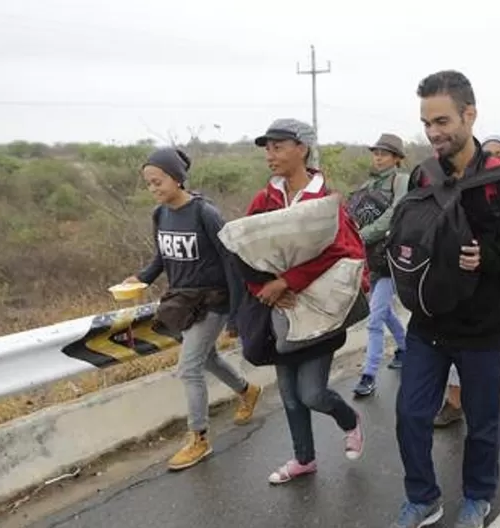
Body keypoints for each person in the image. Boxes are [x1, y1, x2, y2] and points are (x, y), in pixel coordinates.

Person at [391, 70, 500, 528]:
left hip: (483, 328)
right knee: (409, 416)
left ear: (469, 114)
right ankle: (423, 498)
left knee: (482, 423)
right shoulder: (422, 175)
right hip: (427, 324)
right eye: (426, 123)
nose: (433, 132)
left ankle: (477, 497)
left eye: (442, 121)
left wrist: (489, 257)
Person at [239, 119, 368, 484]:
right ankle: (304, 459)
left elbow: (342, 251)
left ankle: (350, 420)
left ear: (302, 149)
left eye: (278, 146)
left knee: (311, 393)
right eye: (267, 148)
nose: (270, 154)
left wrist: (287, 280)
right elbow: (244, 251)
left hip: (319, 312)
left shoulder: (324, 200)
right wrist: (262, 290)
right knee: (290, 397)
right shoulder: (264, 199)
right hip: (281, 311)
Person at [125, 147, 262, 471]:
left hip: (213, 301)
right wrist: (142, 278)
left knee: (188, 367)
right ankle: (247, 390)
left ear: (177, 178)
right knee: (207, 358)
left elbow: (231, 263)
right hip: (183, 302)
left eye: (158, 181)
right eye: (149, 184)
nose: (154, 189)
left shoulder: (205, 213)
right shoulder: (161, 215)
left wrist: (236, 313)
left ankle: (198, 437)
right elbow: (162, 257)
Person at [433, 136, 500, 427]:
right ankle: (455, 401)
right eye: (487, 153)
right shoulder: (462, 188)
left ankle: (498, 390)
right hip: (460, 289)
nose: (491, 159)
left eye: (499, 154)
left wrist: (490, 257)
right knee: (456, 345)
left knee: (499, 348)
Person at [350, 133, 410, 397]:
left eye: (384, 153)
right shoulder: (367, 185)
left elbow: (394, 215)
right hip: (373, 259)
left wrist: (360, 237)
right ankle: (405, 347)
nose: (378, 157)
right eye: (376, 152)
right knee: (382, 311)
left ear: (397, 158)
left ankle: (369, 373)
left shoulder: (402, 181)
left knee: (374, 319)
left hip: (393, 257)